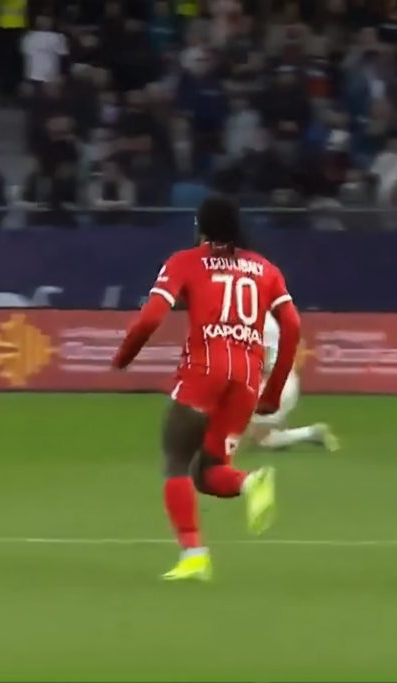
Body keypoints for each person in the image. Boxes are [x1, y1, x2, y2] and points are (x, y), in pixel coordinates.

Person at [111, 195, 301, 582]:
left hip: (204, 371)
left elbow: (150, 318)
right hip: (246, 378)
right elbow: (293, 326)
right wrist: (273, 391)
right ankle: (251, 482)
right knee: (209, 472)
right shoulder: (265, 269)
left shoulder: (185, 261)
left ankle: (194, 554)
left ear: (201, 227)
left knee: (176, 461)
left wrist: (123, 357)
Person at [245, 312, 340, 452]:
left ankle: (312, 433)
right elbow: (299, 344)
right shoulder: (275, 318)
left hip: (274, 385)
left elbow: (262, 361)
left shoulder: (261, 323)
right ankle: (282, 430)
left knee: (262, 439)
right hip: (285, 381)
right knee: (253, 432)